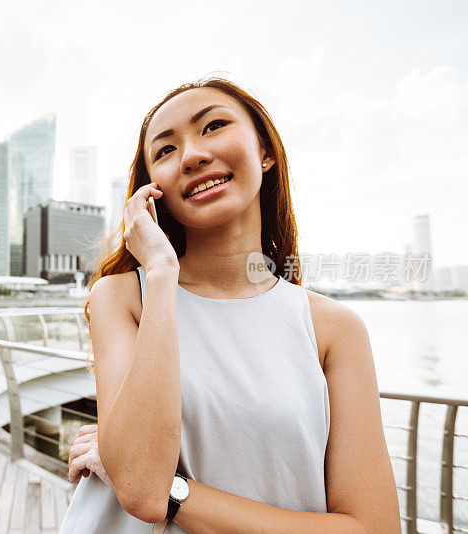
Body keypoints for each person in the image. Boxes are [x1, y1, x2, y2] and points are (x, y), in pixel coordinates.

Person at [58, 77, 401, 533]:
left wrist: (175, 489)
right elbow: (141, 490)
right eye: (164, 150)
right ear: (152, 188)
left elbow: (372, 528)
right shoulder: (125, 297)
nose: (193, 155)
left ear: (265, 152)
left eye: (214, 126)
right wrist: (161, 271)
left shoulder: (334, 327)